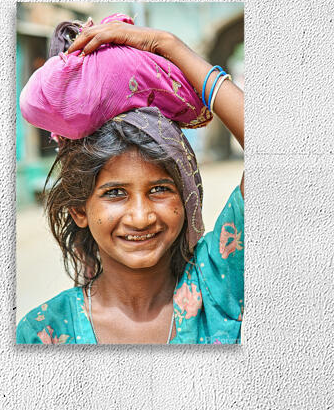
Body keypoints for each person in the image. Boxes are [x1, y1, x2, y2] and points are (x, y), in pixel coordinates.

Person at [16, 18, 244, 344]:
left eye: (160, 189)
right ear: (80, 208)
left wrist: (166, 43)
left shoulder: (214, 288)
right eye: (115, 193)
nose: (141, 217)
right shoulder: (44, 332)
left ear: (187, 197)